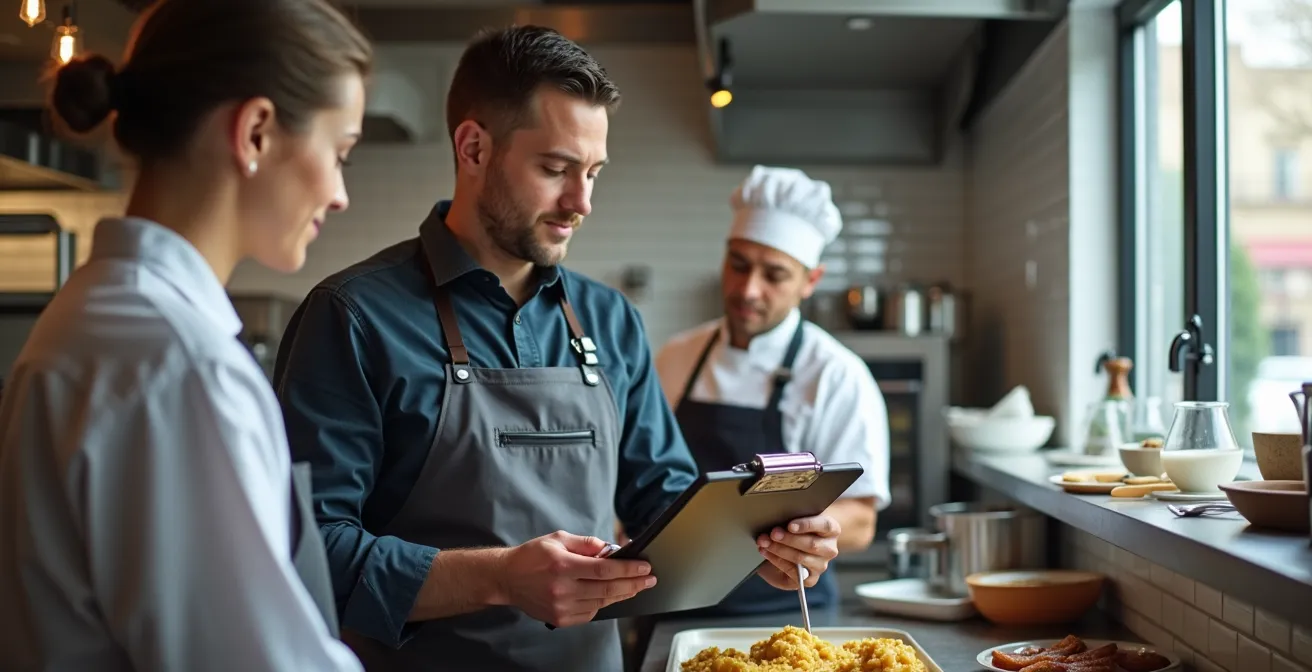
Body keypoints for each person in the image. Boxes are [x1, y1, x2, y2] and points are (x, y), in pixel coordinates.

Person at [272, 26, 844, 672]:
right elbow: (307, 550)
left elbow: (664, 500)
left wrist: (760, 547)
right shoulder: (351, 319)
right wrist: (498, 577)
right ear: (473, 148)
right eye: (556, 169)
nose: (583, 203)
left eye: (594, 173)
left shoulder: (610, 319)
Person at [0, 1, 372, 670]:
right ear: (256, 132)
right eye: (339, 151)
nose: (341, 193)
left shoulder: (93, 314)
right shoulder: (178, 364)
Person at [655, 165, 893, 616]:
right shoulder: (676, 356)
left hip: (787, 607)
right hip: (675, 602)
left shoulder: (836, 374)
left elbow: (861, 519)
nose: (749, 290)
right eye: (738, 265)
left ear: (811, 281)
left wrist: (788, 538)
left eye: (775, 275)